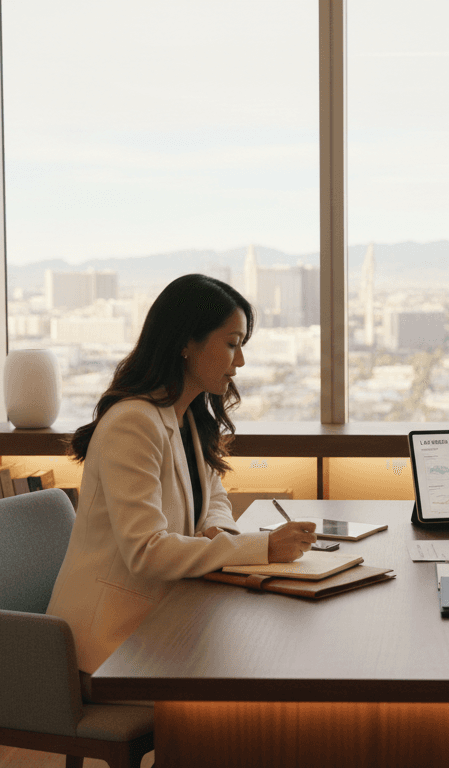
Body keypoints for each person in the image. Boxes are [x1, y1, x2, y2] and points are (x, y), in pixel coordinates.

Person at [46, 274, 317, 680]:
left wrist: (220, 532)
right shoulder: (134, 424)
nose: (240, 361)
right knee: (251, 681)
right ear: (186, 343)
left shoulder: (187, 417)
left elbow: (215, 495)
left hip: (165, 616)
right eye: (231, 344)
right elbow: (147, 551)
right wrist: (261, 547)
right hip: (109, 644)